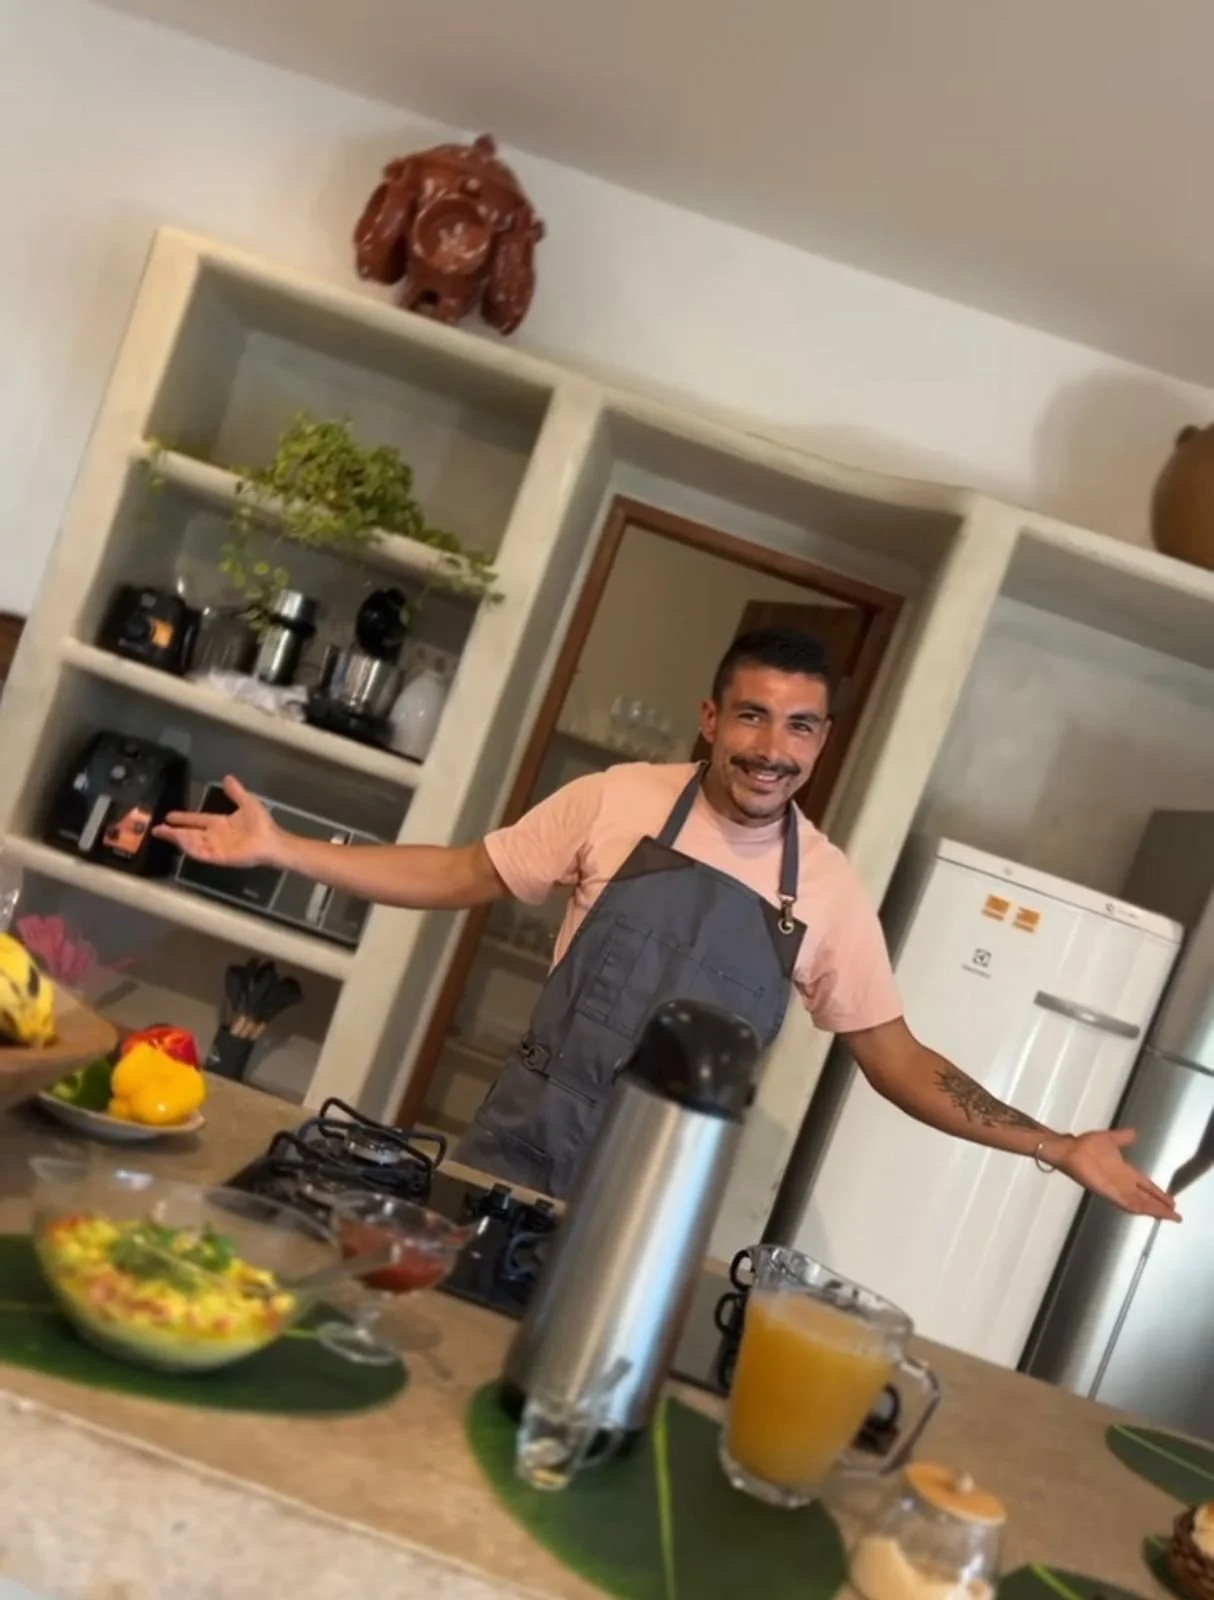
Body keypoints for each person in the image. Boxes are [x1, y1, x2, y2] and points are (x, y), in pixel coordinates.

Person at [156, 628, 1180, 1219]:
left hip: (653, 1195)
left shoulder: (826, 888)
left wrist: (1053, 1146)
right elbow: (463, 871)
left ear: (821, 739)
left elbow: (896, 1057)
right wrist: (284, 848)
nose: (771, 747)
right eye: (752, 715)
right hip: (521, 1137)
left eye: (799, 725)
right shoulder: (615, 799)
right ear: (710, 717)